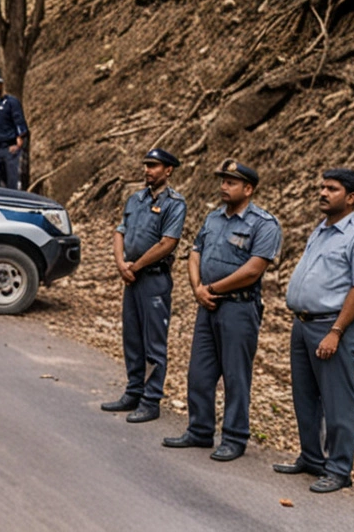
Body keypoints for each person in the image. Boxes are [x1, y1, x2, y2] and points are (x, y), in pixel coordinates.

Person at [163, 160, 280, 461]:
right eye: (223, 181)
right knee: (199, 373)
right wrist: (197, 288)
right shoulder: (214, 218)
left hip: (239, 308)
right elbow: (194, 253)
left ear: (248, 188)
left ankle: (234, 437)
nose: (224, 187)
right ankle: (200, 430)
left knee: (235, 375)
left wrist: (212, 289)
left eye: (231, 183)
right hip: (208, 305)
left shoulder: (263, 224)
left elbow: (253, 270)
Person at [275, 169, 354, 493]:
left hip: (332, 326)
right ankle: (311, 457)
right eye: (322, 187)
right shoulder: (322, 230)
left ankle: (338, 468)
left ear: (350, 198)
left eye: (331, 189)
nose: (323, 192)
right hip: (303, 324)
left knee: (337, 401)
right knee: (305, 396)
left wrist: (336, 331)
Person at [101, 148, 186, 423]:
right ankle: (133, 391)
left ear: (168, 170)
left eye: (154, 166)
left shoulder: (175, 203)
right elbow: (119, 231)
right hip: (132, 277)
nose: (148, 170)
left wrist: (135, 267)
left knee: (154, 342)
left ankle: (151, 399)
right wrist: (120, 264)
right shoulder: (135, 199)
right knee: (132, 338)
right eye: (146, 165)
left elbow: (167, 243)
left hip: (153, 279)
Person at [0, 69, 28, 189]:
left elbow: (19, 122)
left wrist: (19, 142)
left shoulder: (11, 102)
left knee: (12, 184)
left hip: (8, 148)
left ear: (1, 85)